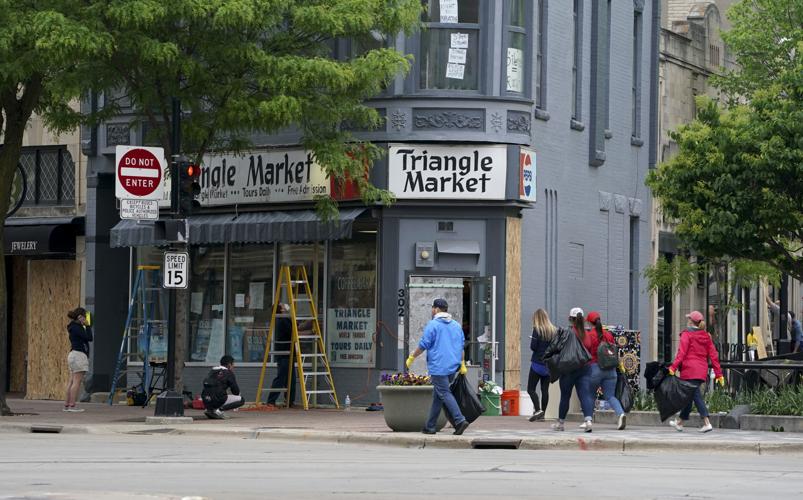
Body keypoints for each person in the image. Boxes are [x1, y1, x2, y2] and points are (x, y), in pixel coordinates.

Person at [406, 298, 469, 436]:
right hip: (453, 366)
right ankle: (430, 426)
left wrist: (412, 357)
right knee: (438, 395)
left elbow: (424, 345)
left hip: (438, 367)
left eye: (432, 308)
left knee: (444, 393)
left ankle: (459, 420)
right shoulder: (456, 326)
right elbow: (461, 347)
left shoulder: (433, 325)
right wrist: (462, 363)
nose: (432, 310)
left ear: (436, 309)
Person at [668, 311, 724, 433]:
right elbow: (713, 356)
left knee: (696, 395)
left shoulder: (687, 335)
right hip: (701, 371)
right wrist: (718, 373)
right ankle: (680, 423)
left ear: (690, 321)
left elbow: (681, 354)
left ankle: (707, 422)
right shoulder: (706, 336)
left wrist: (673, 367)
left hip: (689, 370)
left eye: (688, 319)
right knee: (690, 395)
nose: (687, 320)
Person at [577, 311, 627, 432]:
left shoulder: (590, 335)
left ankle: (588, 421)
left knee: (590, 395)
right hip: (611, 370)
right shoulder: (608, 334)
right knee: (610, 396)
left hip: (595, 369)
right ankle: (621, 414)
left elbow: (585, 352)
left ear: (589, 322)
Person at [551, 307, 591, 431]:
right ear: (583, 319)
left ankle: (560, 423)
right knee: (584, 395)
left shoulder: (567, 333)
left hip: (568, 369)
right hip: (584, 368)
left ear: (570, 319)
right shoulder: (587, 334)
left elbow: (558, 348)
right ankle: (588, 421)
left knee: (565, 396)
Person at [527, 308, 556, 422]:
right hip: (548, 365)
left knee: (531, 389)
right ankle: (543, 414)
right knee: (545, 390)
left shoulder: (537, 330)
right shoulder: (553, 331)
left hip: (537, 364)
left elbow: (533, 347)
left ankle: (538, 410)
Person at [266, 303, 296, 407]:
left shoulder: (281, 319)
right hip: (285, 353)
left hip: (287, 352)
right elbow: (293, 332)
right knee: (282, 378)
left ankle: (289, 401)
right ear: (281, 310)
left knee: (290, 379)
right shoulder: (283, 320)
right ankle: (271, 401)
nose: (285, 306)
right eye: (282, 305)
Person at [64, 307, 92, 412]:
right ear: (80, 317)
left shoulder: (72, 327)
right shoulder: (78, 327)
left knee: (71, 381)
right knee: (77, 382)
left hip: (72, 354)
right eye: (84, 317)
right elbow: (89, 337)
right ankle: (72, 406)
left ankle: (67, 405)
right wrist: (88, 326)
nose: (85, 319)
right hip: (79, 355)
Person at [202, 355, 245, 419]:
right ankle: (219, 410)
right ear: (229, 365)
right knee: (241, 400)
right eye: (233, 364)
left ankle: (210, 410)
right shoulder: (228, 372)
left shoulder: (212, 371)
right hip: (218, 399)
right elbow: (236, 392)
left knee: (217, 393)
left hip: (205, 399)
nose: (233, 367)